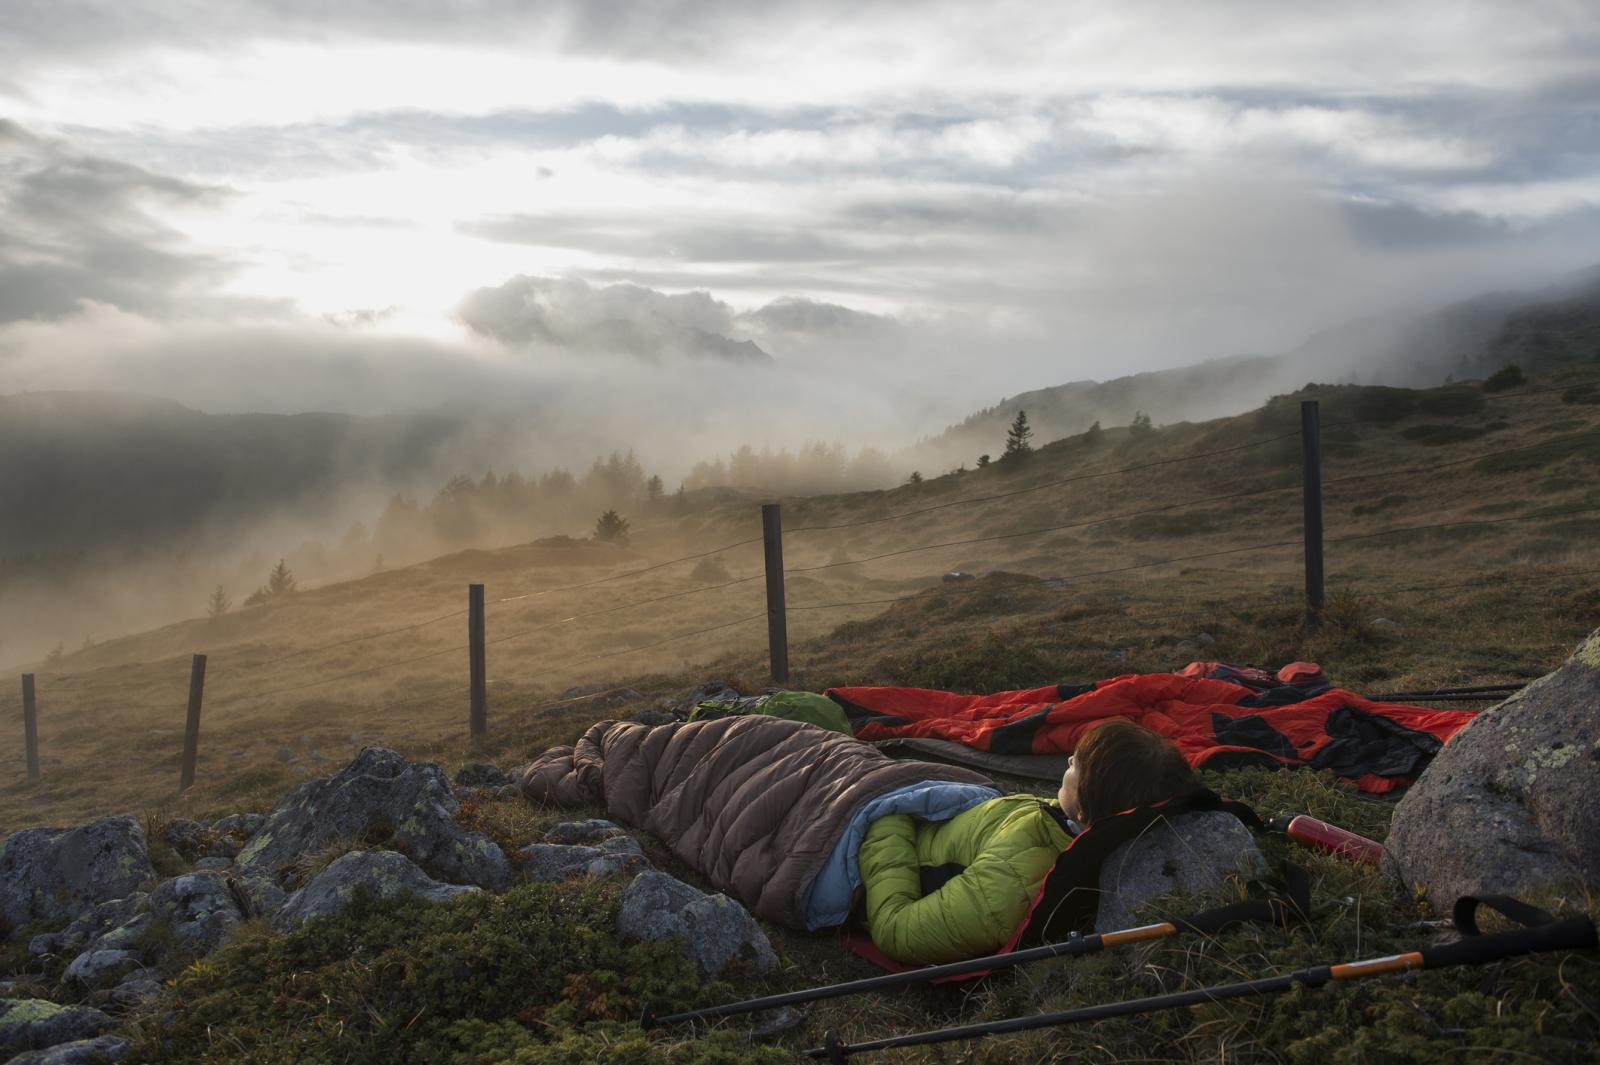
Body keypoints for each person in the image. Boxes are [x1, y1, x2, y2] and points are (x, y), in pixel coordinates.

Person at [858, 718, 1205, 964]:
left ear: (1086, 807)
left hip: (871, 854)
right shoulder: (1060, 825)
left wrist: (888, 819)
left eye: (1077, 765)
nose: (1068, 760)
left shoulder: (1013, 884)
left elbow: (896, 931)